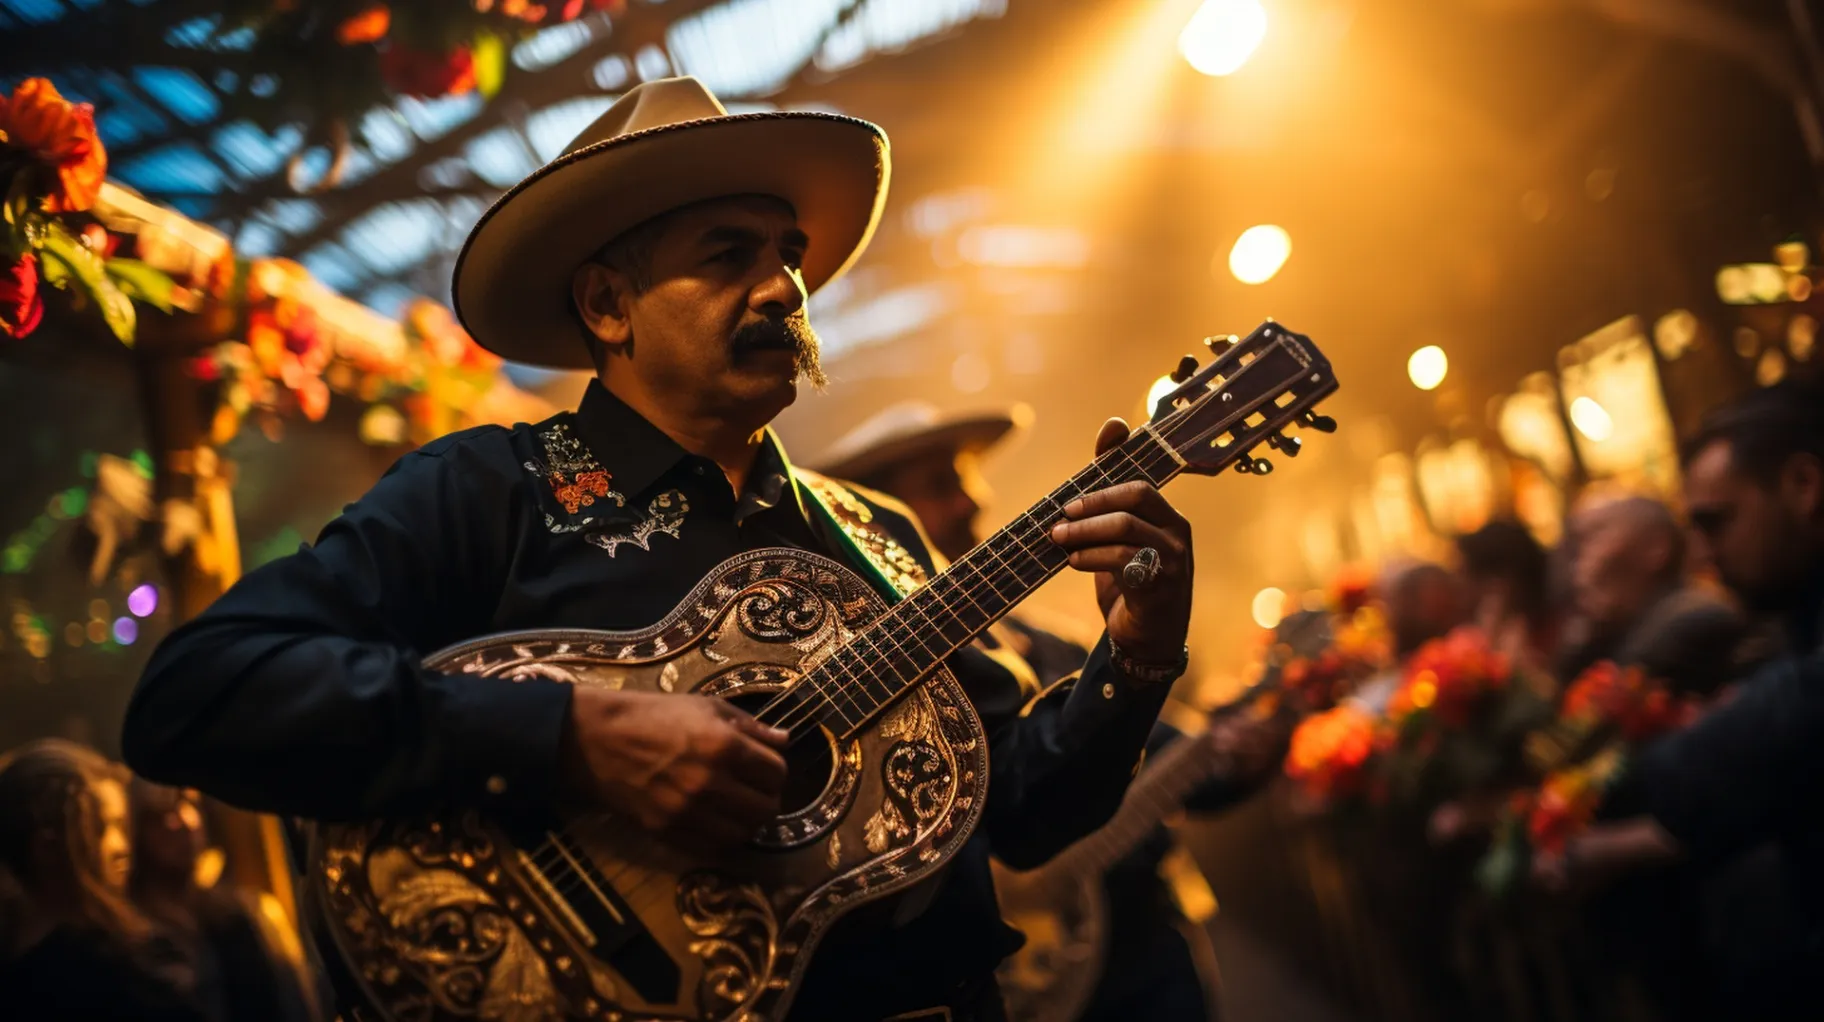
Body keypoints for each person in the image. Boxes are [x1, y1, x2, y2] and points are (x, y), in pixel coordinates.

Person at [123, 77, 1198, 1021]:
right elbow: (197, 692)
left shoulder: (878, 531)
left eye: (788, 254)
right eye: (729, 255)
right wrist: (568, 732)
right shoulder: (489, 491)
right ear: (608, 304)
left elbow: (1018, 808)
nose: (785, 287)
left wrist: (1137, 655)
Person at [813, 401, 1290, 1022]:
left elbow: (1177, 762)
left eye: (963, 479)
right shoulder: (859, 681)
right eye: (939, 487)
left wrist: (1248, 753)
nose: (970, 503)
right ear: (873, 524)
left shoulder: (1049, 645)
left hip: (1145, 956)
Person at [1536, 381, 1824, 1018]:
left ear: (1804, 488)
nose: (1702, 551)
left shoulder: (1695, 623)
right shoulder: (1783, 615)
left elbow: (1716, 767)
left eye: (1716, 520)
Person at [0, 740, 209, 1021]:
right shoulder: (130, 973)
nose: (121, 847)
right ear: (46, 847)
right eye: (102, 827)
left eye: (121, 825)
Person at [128, 780, 321, 1022]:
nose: (186, 822)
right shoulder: (132, 936)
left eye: (191, 804)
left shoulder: (246, 914)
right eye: (160, 815)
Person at [1555, 494, 1744, 693]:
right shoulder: (1611, 633)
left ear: (1656, 548)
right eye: (1576, 546)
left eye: (1594, 537)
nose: (1579, 561)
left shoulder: (1693, 621)